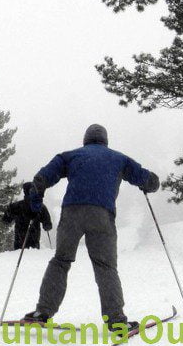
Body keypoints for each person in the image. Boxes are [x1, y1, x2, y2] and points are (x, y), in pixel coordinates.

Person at [22, 124, 160, 332]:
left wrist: (35, 202)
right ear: (105, 141)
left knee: (61, 261)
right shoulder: (118, 159)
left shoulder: (70, 156)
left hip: (72, 213)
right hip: (101, 214)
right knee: (105, 266)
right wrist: (149, 183)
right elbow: (148, 180)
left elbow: (40, 179)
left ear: (85, 140)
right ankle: (116, 320)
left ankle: (43, 312)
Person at [2, 183, 52, 249]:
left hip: (19, 240)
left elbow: (6, 220)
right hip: (34, 239)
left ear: (24, 191)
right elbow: (47, 225)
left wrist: (8, 211)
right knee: (33, 255)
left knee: (19, 253)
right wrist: (46, 225)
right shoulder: (40, 207)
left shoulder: (16, 206)